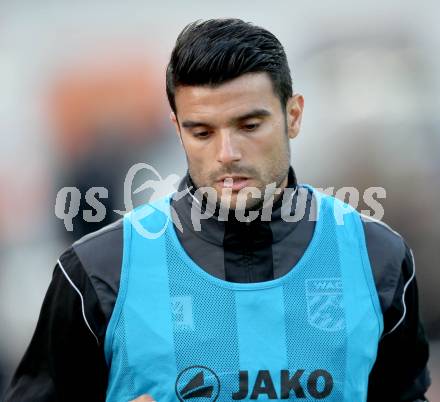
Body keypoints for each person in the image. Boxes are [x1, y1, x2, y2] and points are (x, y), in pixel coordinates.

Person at [4, 19, 430, 402]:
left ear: (293, 115)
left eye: (249, 125)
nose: (227, 153)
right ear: (178, 129)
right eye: (203, 132)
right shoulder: (98, 271)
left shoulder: (378, 258)